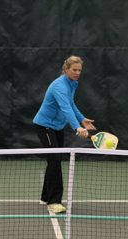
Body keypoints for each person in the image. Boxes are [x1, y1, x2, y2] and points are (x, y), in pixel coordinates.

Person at [33, 55, 96, 213]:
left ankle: (46, 197)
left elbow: (71, 104)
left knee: (54, 160)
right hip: (44, 126)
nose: (77, 72)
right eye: (74, 70)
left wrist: (82, 120)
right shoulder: (60, 85)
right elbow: (65, 107)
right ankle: (54, 201)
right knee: (54, 160)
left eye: (79, 70)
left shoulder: (72, 84)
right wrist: (76, 128)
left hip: (57, 126)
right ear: (66, 69)